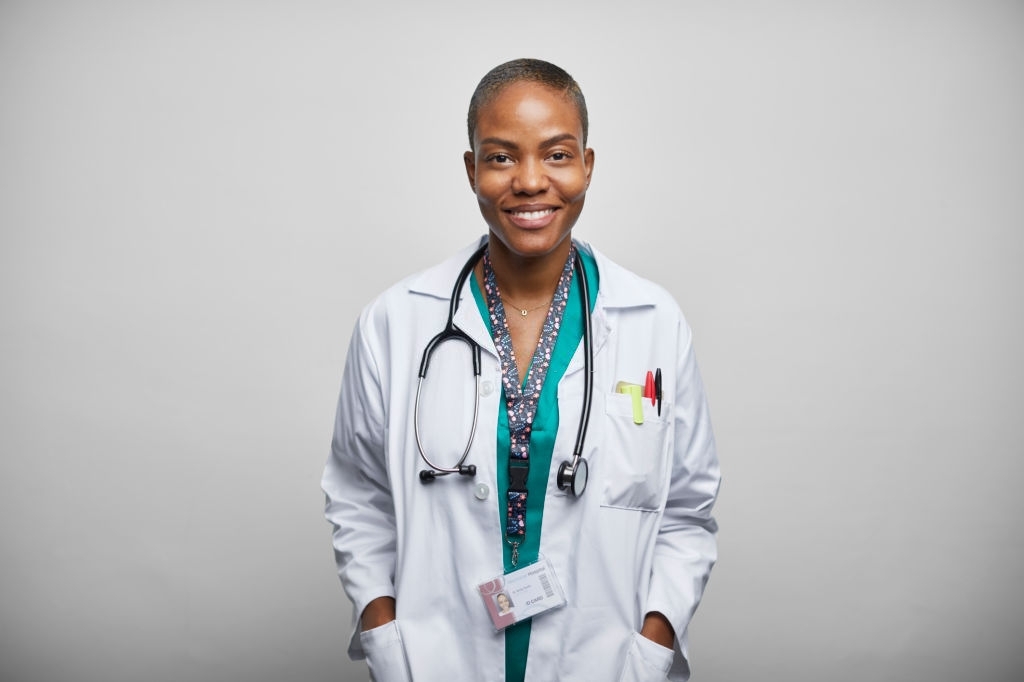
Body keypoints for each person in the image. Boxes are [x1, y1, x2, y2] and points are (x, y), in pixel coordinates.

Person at [323, 58, 720, 682]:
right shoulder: (395, 321)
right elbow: (358, 499)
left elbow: (687, 511)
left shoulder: (652, 320)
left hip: (602, 660)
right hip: (438, 657)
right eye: (502, 157)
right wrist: (383, 634)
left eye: (557, 155)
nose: (530, 181)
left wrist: (653, 642)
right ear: (471, 169)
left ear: (588, 164)